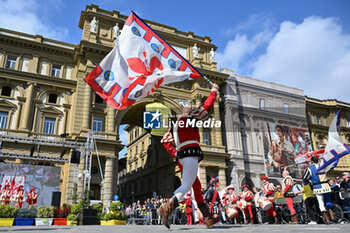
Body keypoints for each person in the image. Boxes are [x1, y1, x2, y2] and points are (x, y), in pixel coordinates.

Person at [158, 83, 219, 229]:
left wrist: (176, 153)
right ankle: (166, 208)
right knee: (186, 185)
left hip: (181, 158)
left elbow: (165, 141)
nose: (191, 109)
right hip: (191, 154)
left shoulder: (174, 124)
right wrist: (214, 91)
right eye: (189, 108)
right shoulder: (189, 118)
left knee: (196, 186)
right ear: (184, 111)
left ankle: (208, 218)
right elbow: (205, 109)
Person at [302, 156, 335, 224]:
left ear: (312, 161)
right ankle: (332, 216)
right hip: (326, 186)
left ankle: (327, 219)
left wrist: (308, 183)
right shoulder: (323, 166)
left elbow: (304, 178)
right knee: (328, 201)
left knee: (321, 203)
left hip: (317, 187)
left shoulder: (310, 169)